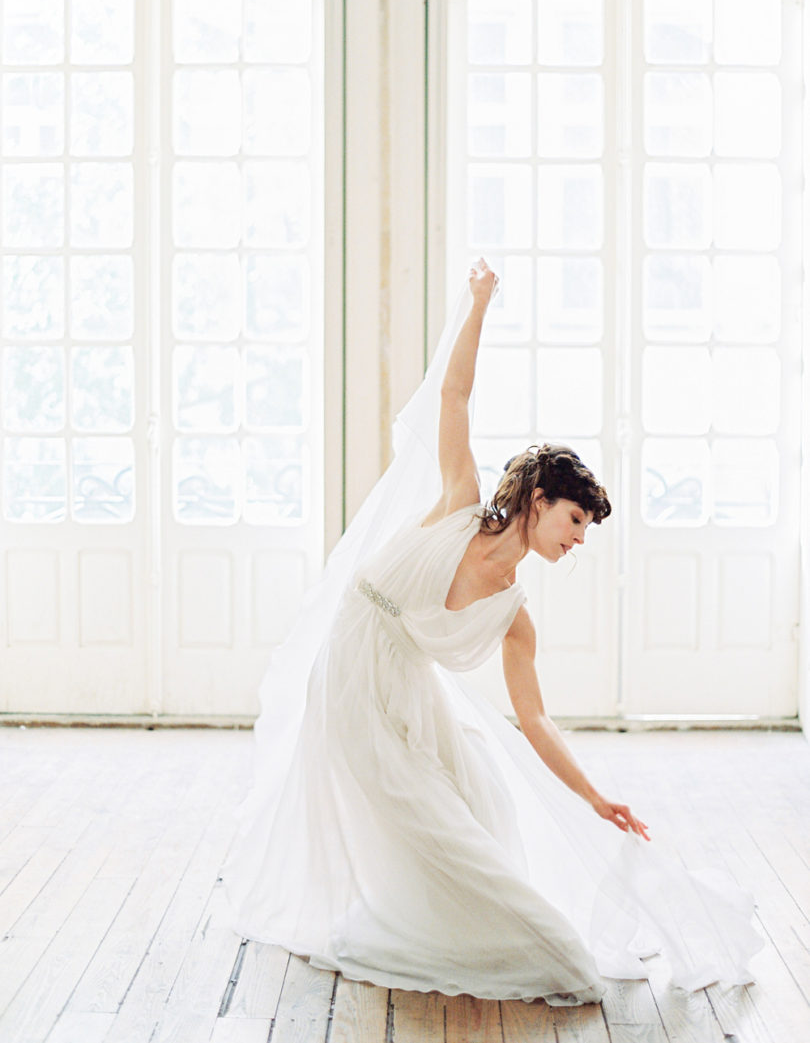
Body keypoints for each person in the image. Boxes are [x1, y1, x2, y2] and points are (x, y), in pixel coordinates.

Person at [224, 258, 763, 1005]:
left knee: (485, 808)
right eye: (575, 520)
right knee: (436, 830)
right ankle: (496, 933)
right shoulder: (459, 503)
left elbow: (535, 721)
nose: (578, 540)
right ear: (539, 500)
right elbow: (453, 393)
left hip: (408, 688)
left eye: (584, 531)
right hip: (351, 668)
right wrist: (478, 302)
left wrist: (597, 798)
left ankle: (486, 926)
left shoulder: (516, 617)